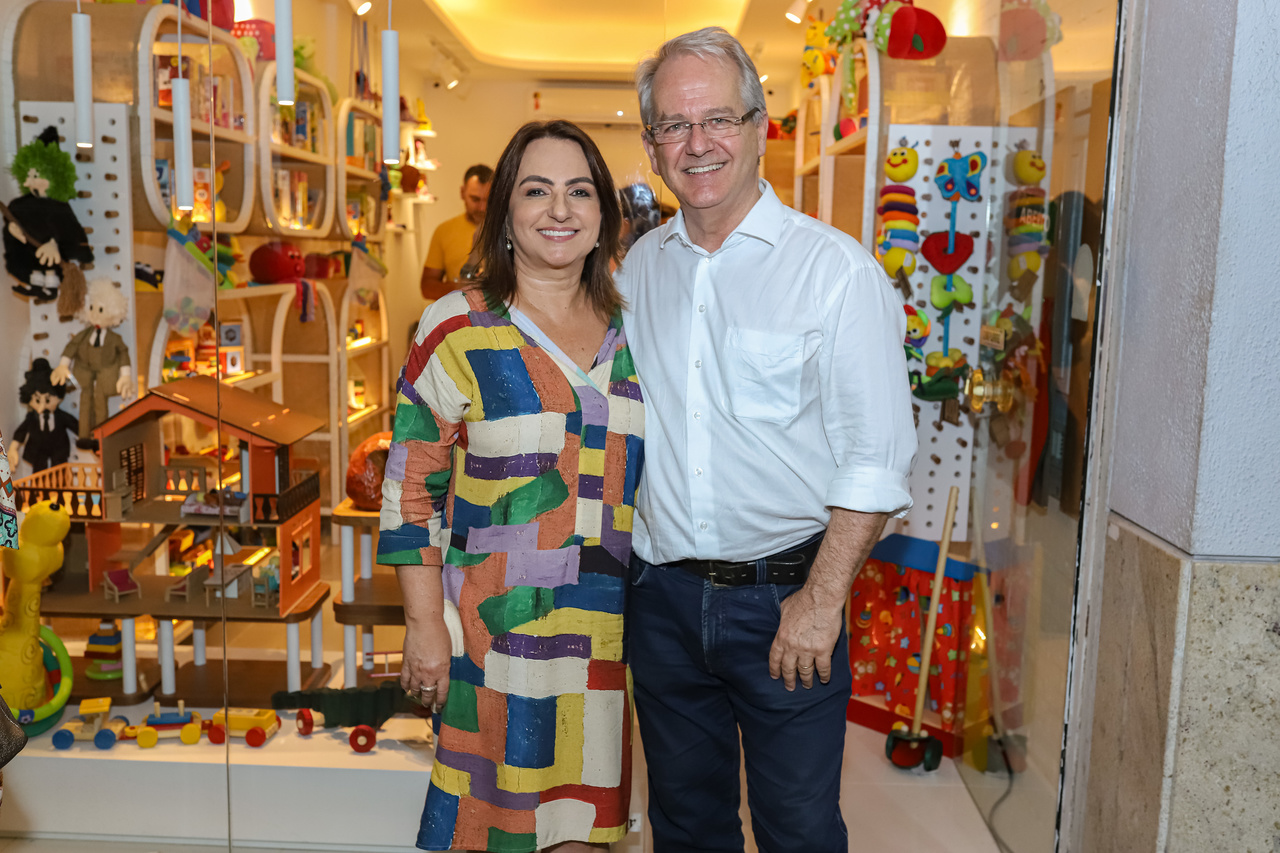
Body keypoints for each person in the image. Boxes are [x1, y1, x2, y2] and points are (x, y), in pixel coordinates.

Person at [617, 27, 917, 852]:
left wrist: (821, 603)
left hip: (786, 602)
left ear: (759, 125)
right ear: (651, 147)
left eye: (718, 118)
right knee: (686, 826)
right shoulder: (638, 272)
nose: (697, 143)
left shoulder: (836, 272)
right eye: (674, 126)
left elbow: (878, 457)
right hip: (665, 605)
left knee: (797, 831)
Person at [379, 120, 643, 853]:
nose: (559, 209)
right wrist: (425, 623)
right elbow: (411, 487)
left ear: (602, 217)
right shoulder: (457, 325)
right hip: (494, 635)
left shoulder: (640, 328)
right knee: (491, 827)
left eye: (578, 191)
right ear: (504, 211)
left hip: (607, 642)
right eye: (537, 190)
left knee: (582, 831)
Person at [420, 164, 493, 300]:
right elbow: (427, 288)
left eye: (488, 200)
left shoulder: (511, 231)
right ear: (462, 193)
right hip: (459, 316)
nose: (482, 208)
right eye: (475, 199)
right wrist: (461, 288)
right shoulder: (444, 231)